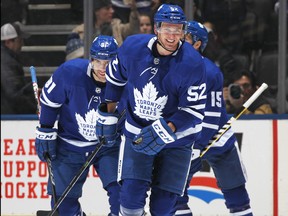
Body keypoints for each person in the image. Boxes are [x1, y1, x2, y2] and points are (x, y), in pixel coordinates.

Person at [96, 4, 207, 216]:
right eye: (167, 29)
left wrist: (167, 128)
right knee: (129, 199)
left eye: (177, 30)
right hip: (137, 132)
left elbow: (193, 111)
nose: (172, 36)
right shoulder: (132, 47)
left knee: (163, 207)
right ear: (156, 29)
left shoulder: (193, 63)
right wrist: (108, 113)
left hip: (177, 140)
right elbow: (115, 79)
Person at [173, 21, 253, 216]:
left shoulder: (209, 72)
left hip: (218, 138)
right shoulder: (169, 68)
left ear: (197, 43)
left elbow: (211, 117)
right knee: (175, 196)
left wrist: (197, 145)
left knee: (237, 195)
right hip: (186, 138)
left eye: (185, 37)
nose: (178, 39)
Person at [35, 35, 121, 216]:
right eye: (98, 62)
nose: (103, 69)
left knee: (122, 195)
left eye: (109, 63)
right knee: (63, 206)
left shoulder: (126, 80)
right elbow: (49, 102)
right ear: (91, 60)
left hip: (109, 146)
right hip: (69, 144)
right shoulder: (69, 73)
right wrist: (45, 130)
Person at [1, 22, 37, 114]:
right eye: (20, 41)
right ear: (8, 42)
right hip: (9, 118)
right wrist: (35, 109)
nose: (22, 44)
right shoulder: (7, 62)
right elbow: (14, 95)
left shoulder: (8, 59)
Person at [72, 0, 140, 46]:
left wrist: (133, 10)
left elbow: (133, 29)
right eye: (107, 8)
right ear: (97, 12)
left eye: (111, 8)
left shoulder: (117, 27)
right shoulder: (80, 31)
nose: (112, 11)